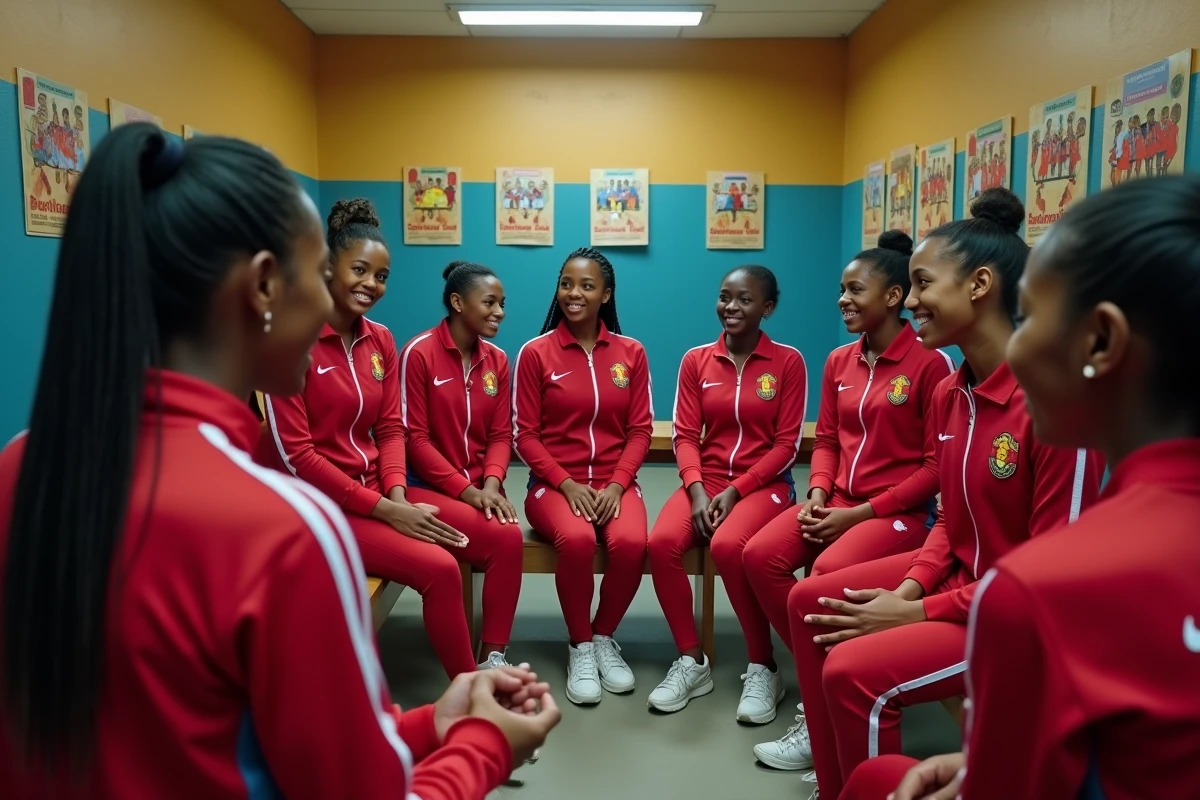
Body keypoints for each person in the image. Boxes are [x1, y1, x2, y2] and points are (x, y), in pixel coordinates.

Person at [0, 123, 560, 799]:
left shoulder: (22, 465)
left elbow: (195, 731)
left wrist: (422, 725)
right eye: (318, 276)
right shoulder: (284, 531)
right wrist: (484, 744)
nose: (334, 303)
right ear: (266, 285)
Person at [841, 175, 1200, 800]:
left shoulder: (1035, 594)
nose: (1013, 342)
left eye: (1028, 315)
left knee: (875, 782)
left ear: (1101, 341)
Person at [784, 188, 1104, 799]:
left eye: (924, 284)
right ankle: (839, 787)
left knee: (854, 672)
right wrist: (909, 586)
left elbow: (1045, 584)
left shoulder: (1052, 408)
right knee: (808, 601)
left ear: (979, 285)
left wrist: (915, 611)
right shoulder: (954, 392)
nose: (914, 302)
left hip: (1012, 618)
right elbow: (950, 525)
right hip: (960, 584)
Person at [744, 232, 953, 770]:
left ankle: (826, 711)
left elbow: (935, 468)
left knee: (828, 572)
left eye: (854, 289)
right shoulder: (839, 360)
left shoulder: (930, 365)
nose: (842, 299)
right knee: (757, 556)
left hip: (895, 514)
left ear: (892, 296)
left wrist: (858, 514)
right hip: (834, 498)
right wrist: (816, 496)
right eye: (841, 289)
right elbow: (829, 440)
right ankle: (819, 686)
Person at [259, 198, 477, 679]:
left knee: (464, 534)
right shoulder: (287, 342)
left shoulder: (379, 340)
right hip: (312, 508)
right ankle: (473, 698)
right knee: (439, 569)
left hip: (371, 493)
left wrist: (397, 495)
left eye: (381, 276)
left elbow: (389, 428)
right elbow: (298, 457)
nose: (371, 285)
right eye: (359, 269)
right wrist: (386, 510)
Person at [646, 266, 807, 722]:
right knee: (661, 545)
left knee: (729, 545)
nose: (731, 307)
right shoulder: (696, 360)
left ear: (767, 309)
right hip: (706, 480)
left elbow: (787, 445)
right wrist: (696, 489)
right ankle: (692, 660)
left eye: (744, 300)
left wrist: (738, 490)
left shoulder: (788, 361)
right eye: (724, 297)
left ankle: (764, 666)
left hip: (764, 486)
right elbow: (684, 435)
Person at [512, 247, 652, 705]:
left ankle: (603, 636)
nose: (574, 293)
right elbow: (525, 436)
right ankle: (580, 646)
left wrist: (616, 485)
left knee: (631, 543)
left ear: (606, 294)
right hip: (553, 486)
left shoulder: (631, 353)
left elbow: (640, 430)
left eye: (587, 286)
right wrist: (567, 484)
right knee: (574, 539)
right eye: (567, 283)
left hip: (615, 484)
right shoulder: (536, 352)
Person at [399, 261, 525, 668]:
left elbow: (501, 435)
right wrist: (466, 491)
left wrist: (490, 484)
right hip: (427, 488)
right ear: (457, 302)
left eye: (502, 303)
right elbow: (413, 439)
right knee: (504, 539)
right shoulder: (419, 353)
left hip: (480, 490)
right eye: (489, 302)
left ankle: (493, 656)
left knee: (507, 537)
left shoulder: (499, 360)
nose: (500, 312)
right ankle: (473, 668)